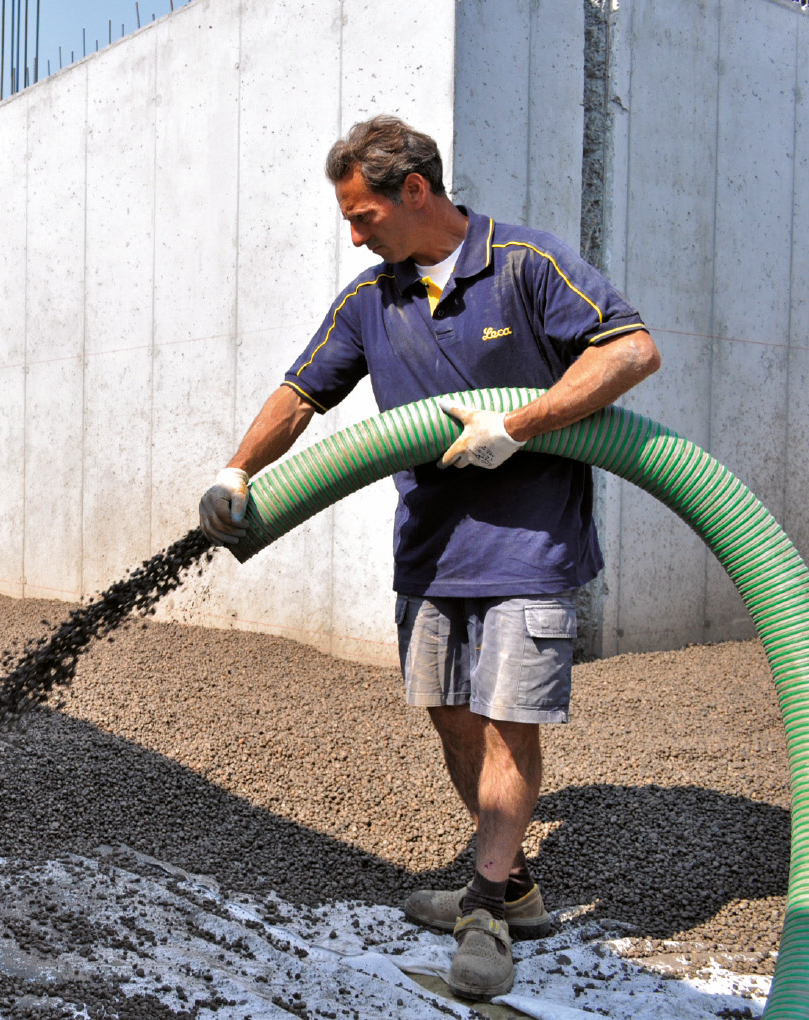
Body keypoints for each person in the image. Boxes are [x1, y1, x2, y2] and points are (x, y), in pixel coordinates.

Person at [198, 115, 660, 1000]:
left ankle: (485, 908)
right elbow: (303, 394)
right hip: (432, 554)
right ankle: (513, 885)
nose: (354, 232)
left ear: (415, 190)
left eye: (362, 213)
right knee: (451, 715)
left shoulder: (524, 263)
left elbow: (630, 350)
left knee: (507, 721)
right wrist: (237, 469)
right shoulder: (373, 300)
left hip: (529, 546)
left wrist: (516, 425)